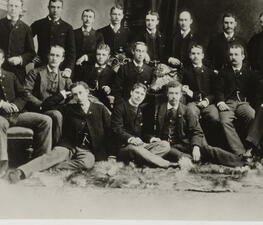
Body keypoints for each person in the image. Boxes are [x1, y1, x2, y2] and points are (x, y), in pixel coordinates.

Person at [8, 81, 111, 184]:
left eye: (81, 93)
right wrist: (61, 96)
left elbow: (110, 130)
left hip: (88, 149)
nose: (78, 97)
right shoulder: (69, 108)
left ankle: (49, 170)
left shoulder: (100, 109)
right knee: (51, 157)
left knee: (87, 163)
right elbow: (45, 106)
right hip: (68, 145)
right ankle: (20, 172)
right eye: (75, 94)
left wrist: (107, 153)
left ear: (87, 92)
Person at [150, 80, 245, 167]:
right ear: (167, 94)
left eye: (176, 93)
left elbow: (196, 131)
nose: (174, 96)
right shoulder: (159, 109)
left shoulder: (186, 110)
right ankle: (190, 159)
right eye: (171, 93)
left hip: (184, 144)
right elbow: (147, 131)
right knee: (177, 154)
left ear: (181, 95)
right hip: (167, 146)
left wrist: (196, 147)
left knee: (207, 150)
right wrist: (153, 138)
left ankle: (240, 162)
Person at [0, 48, 52, 178]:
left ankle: (40, 163)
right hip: (1, 117)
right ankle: (2, 164)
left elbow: (23, 95)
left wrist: (16, 106)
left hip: (16, 115)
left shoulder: (10, 75)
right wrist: (1, 104)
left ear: (1, 60)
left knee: (46, 120)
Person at [111, 83, 176, 168]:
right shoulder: (120, 108)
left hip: (141, 145)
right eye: (137, 92)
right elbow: (117, 129)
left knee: (165, 145)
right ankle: (165, 164)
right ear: (131, 92)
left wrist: (151, 138)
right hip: (125, 147)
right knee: (134, 148)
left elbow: (144, 132)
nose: (139, 96)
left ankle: (140, 161)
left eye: (142, 94)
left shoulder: (141, 109)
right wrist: (131, 139)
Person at [24, 45, 72, 146]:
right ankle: (56, 148)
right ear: (48, 56)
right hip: (39, 108)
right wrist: (40, 104)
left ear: (62, 59)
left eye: (57, 56)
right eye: (52, 55)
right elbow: (25, 93)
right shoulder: (35, 72)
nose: (54, 58)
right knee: (56, 115)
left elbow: (73, 92)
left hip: (59, 108)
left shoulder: (64, 76)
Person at [215, 43, 256, 156]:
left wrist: (254, 104)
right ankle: (240, 152)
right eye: (231, 55)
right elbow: (218, 90)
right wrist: (220, 102)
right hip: (228, 103)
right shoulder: (224, 72)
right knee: (224, 121)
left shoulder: (249, 73)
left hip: (243, 103)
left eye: (236, 54)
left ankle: (250, 148)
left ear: (242, 56)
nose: (233, 57)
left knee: (252, 116)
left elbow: (255, 92)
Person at [31, 0, 76, 78]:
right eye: (53, 7)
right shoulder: (38, 24)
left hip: (60, 68)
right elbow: (24, 39)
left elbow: (72, 51)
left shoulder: (67, 27)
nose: (55, 10)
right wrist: (31, 55)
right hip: (41, 65)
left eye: (58, 7)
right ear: (48, 8)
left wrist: (68, 68)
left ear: (62, 9)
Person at [182, 44, 219, 124]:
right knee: (191, 114)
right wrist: (186, 90)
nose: (196, 56)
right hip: (193, 102)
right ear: (189, 55)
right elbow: (182, 87)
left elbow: (215, 91)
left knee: (214, 117)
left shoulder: (210, 72)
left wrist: (206, 100)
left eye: (198, 54)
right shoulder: (185, 72)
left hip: (208, 102)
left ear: (202, 55)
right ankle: (197, 135)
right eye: (193, 53)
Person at [0, 0, 35, 83]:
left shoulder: (26, 28)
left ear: (20, 9)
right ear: (7, 7)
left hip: (18, 72)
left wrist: (20, 59)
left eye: (16, 6)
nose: (13, 8)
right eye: (11, 5)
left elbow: (31, 53)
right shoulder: (0, 24)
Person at [77, 44, 116, 110]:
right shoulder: (86, 68)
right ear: (95, 55)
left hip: (101, 102)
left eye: (104, 55)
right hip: (84, 99)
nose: (101, 57)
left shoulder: (112, 73)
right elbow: (77, 83)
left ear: (108, 57)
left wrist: (108, 89)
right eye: (98, 54)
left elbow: (114, 90)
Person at [74, 9, 104, 81]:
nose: (87, 19)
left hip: (91, 69)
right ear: (81, 17)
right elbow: (71, 50)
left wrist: (86, 57)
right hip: (75, 68)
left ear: (93, 19)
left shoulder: (98, 35)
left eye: (90, 17)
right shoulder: (74, 33)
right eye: (85, 16)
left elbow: (100, 53)